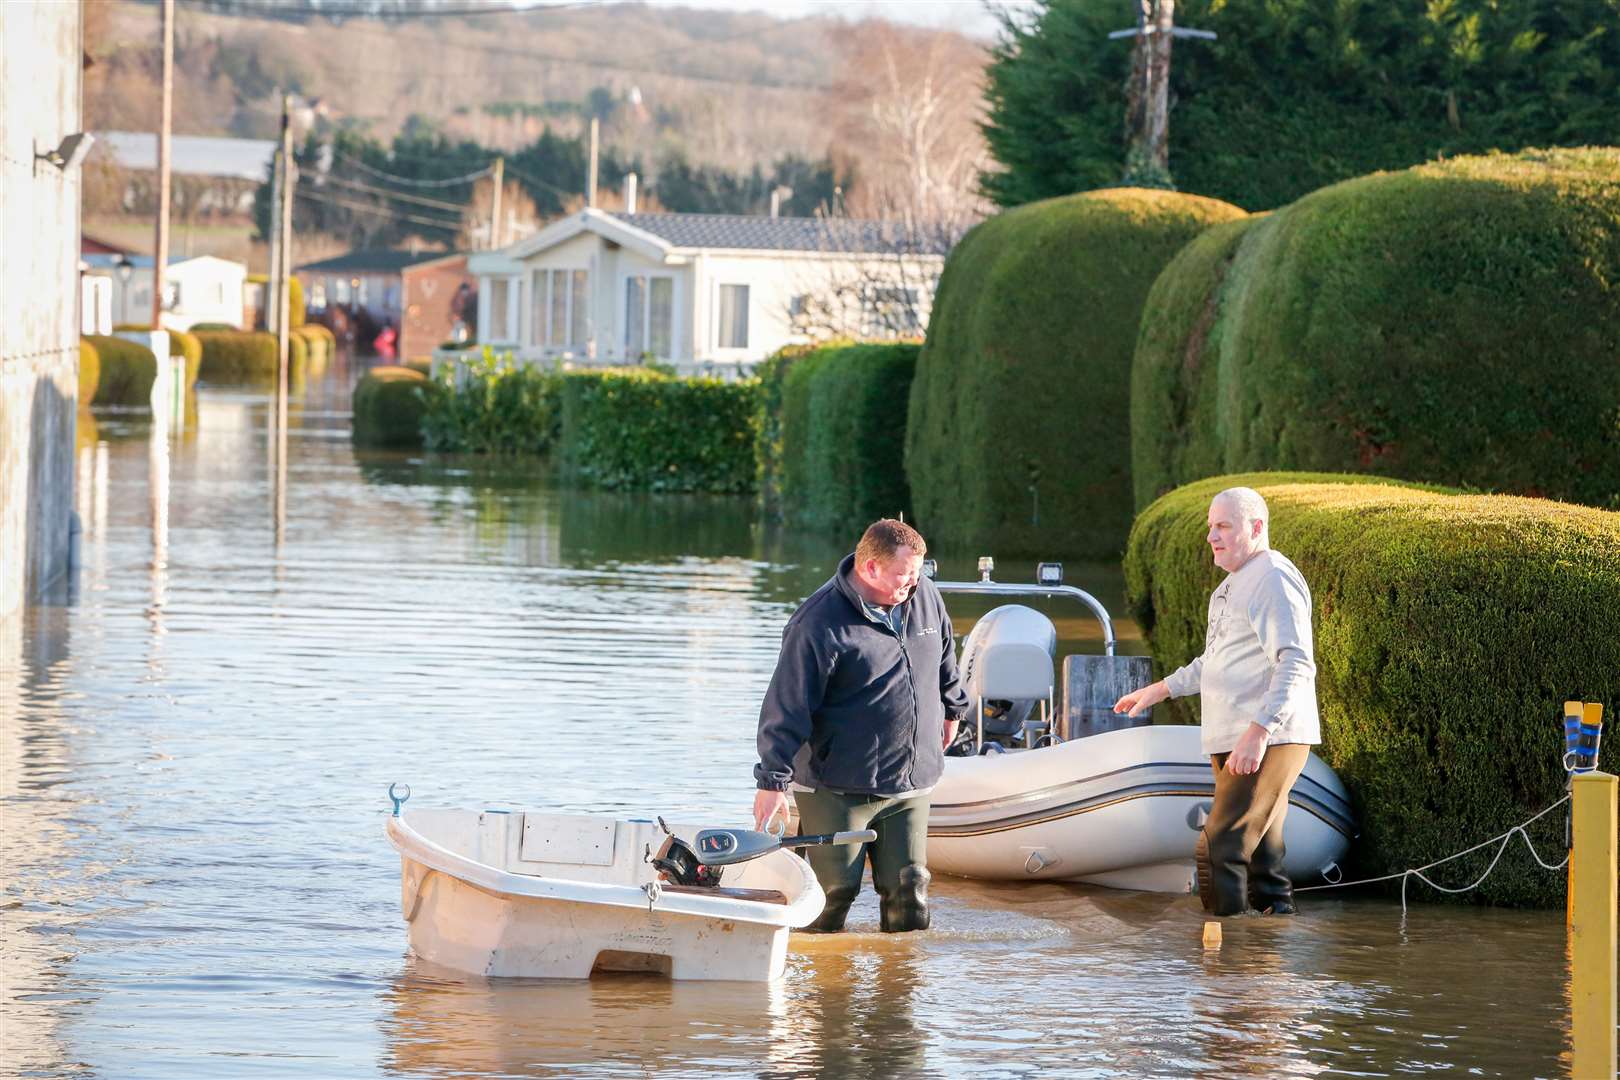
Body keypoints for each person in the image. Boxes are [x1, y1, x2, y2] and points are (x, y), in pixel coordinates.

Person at [753, 518, 969, 932]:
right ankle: (814, 989)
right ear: (870, 568)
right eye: (904, 576)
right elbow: (787, 704)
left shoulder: (924, 596)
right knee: (833, 895)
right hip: (837, 785)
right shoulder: (816, 623)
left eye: (917, 574)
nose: (913, 585)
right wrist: (771, 781)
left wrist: (953, 708)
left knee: (911, 895)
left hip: (910, 781)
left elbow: (945, 655)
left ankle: (900, 989)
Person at [1112, 487, 1320, 916]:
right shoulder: (1229, 587)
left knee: (1218, 849)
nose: (1211, 536)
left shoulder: (1273, 577)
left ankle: (1223, 965)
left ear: (1256, 528)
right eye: (1211, 527)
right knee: (1263, 859)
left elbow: (1296, 660)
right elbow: (1217, 660)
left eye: (1223, 526)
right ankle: (1265, 962)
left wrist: (1259, 731)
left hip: (1267, 737)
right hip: (1235, 737)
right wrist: (1160, 689)